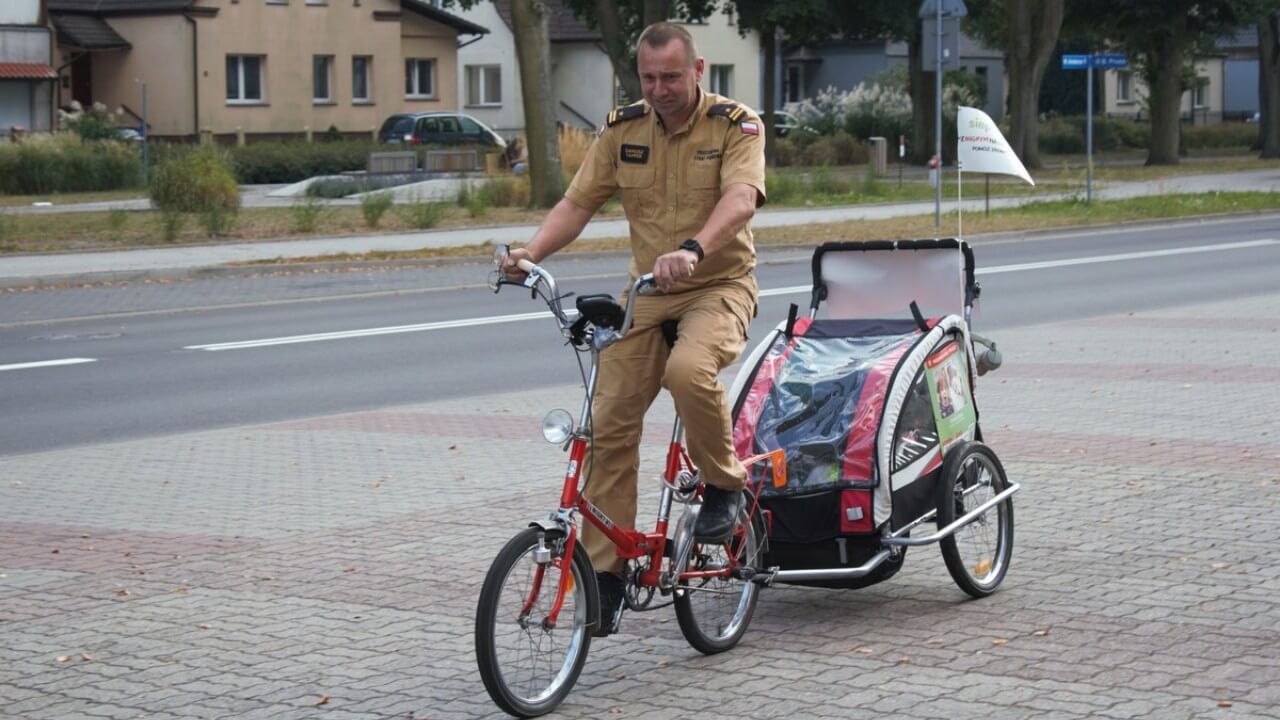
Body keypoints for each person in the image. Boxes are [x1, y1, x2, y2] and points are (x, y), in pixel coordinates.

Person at [501, 21, 766, 637]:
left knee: (686, 370)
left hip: (718, 286)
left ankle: (725, 486)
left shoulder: (735, 124)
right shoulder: (624, 129)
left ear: (697, 71)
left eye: (671, 76)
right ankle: (609, 575)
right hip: (647, 295)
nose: (659, 89)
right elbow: (577, 204)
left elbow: (742, 197)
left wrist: (695, 250)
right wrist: (530, 254)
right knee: (607, 422)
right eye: (648, 78)